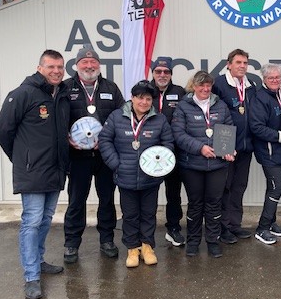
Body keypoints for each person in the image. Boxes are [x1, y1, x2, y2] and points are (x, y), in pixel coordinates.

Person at [0, 49, 70, 299]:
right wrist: (22, 159)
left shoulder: (60, 95)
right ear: (40, 68)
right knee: (32, 221)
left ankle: (38, 261)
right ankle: (31, 276)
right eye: (51, 67)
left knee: (46, 219)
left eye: (60, 67)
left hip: (55, 170)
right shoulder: (23, 94)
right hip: (33, 171)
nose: (56, 71)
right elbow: (3, 132)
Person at [98, 80, 173, 268]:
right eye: (140, 98)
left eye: (148, 99)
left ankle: (147, 247)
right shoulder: (116, 117)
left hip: (150, 178)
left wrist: (159, 167)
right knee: (130, 215)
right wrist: (115, 164)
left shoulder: (160, 119)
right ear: (132, 98)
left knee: (148, 213)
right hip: (126, 177)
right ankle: (132, 248)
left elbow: (168, 144)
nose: (144, 102)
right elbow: (105, 140)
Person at [63, 46, 124, 264]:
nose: (89, 66)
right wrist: (66, 138)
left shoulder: (110, 87)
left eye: (93, 62)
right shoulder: (65, 88)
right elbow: (58, 119)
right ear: (76, 65)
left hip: (104, 155)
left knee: (106, 199)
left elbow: (121, 117)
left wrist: (107, 139)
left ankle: (107, 240)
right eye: (84, 62)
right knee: (76, 200)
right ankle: (71, 243)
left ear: (99, 65)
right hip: (77, 156)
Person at [171, 71, 235, 258]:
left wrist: (229, 150)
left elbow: (228, 128)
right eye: (201, 85)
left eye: (208, 85)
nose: (205, 89)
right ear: (194, 86)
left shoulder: (220, 105)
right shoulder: (183, 106)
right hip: (192, 165)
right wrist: (200, 148)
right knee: (195, 204)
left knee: (214, 204)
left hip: (217, 166)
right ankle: (193, 241)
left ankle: (213, 241)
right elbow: (178, 134)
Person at [212, 49, 257, 244]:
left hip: (245, 145)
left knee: (239, 186)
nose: (242, 66)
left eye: (245, 63)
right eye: (238, 62)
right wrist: (224, 146)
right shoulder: (219, 84)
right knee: (225, 187)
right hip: (226, 144)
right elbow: (212, 114)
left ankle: (234, 224)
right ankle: (222, 227)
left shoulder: (250, 85)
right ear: (229, 64)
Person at [250, 63, 281, 245]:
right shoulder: (260, 98)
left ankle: (271, 222)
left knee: (273, 187)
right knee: (277, 188)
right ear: (264, 79)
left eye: (278, 77)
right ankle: (262, 228)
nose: (275, 80)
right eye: (271, 78)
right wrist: (280, 135)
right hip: (269, 152)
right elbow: (256, 127)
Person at [150, 56, 187, 248]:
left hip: (174, 152)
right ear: (153, 73)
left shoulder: (180, 92)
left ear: (171, 74)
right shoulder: (144, 91)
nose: (162, 75)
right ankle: (146, 232)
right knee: (149, 194)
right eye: (158, 71)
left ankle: (173, 228)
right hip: (149, 153)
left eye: (166, 72)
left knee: (174, 193)